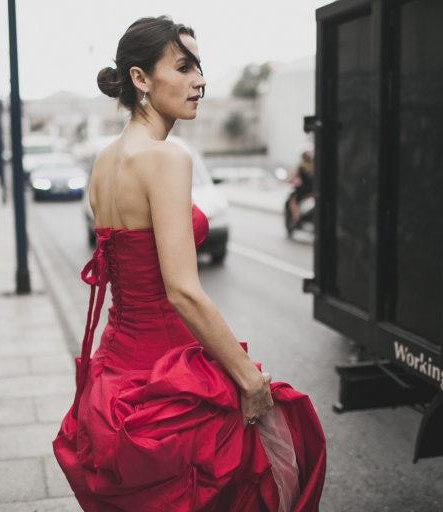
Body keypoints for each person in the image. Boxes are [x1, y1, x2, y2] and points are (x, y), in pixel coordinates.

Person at [53, 16, 326, 512]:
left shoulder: (106, 160)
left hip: (115, 371)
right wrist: (248, 378)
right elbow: (181, 290)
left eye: (199, 67)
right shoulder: (166, 158)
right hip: (166, 374)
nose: (200, 80)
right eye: (183, 67)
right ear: (140, 78)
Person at [286, 144, 314, 230]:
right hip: (314, 191)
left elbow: (289, 179)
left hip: (303, 191)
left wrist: (293, 181)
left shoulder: (301, 167)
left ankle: (296, 218)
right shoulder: (316, 166)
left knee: (292, 200)